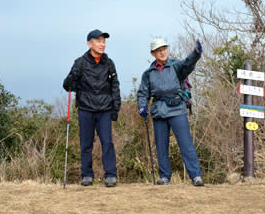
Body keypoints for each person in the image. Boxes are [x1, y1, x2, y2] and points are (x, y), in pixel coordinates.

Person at [137, 38, 205, 186]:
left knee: (186, 144)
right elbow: (143, 93)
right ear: (153, 53)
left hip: (177, 109)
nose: (162, 52)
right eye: (159, 50)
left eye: (164, 49)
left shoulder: (176, 66)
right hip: (159, 111)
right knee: (161, 146)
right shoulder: (148, 73)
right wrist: (142, 106)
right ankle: (164, 177)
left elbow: (188, 63)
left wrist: (196, 53)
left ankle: (196, 176)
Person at [63, 29, 121, 187]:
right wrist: (71, 78)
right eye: (98, 41)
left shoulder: (109, 63)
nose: (102, 44)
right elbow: (68, 86)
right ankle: (86, 175)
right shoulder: (80, 62)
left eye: (104, 41)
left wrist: (116, 107)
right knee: (86, 144)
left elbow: (115, 86)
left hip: (104, 110)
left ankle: (110, 175)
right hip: (85, 109)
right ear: (90, 43)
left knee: (107, 142)